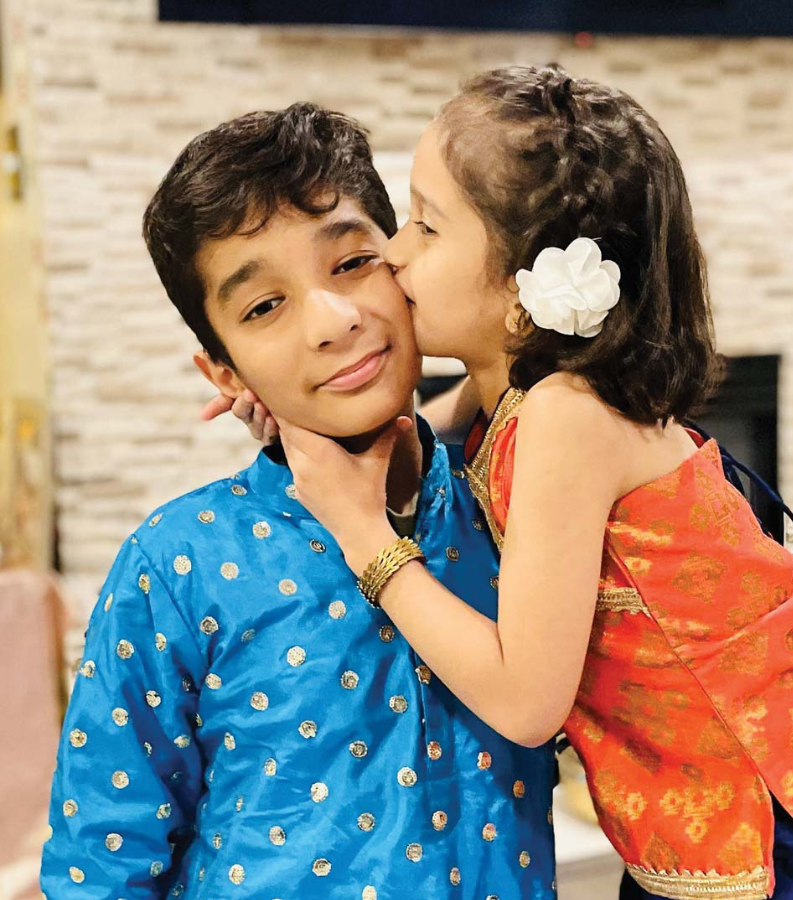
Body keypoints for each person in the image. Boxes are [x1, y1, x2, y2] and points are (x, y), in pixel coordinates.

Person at [274, 66, 793, 900]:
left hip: (782, 840)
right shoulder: (514, 398)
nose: (395, 252)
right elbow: (396, 429)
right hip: (706, 835)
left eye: (426, 227)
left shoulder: (565, 416)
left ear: (523, 292)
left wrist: (365, 537)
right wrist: (275, 390)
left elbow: (525, 701)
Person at [40, 103, 557, 900]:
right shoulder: (178, 564)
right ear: (225, 374)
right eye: (263, 307)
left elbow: (690, 625)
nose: (333, 321)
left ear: (407, 265)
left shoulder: (524, 498)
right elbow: (100, 867)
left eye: (352, 263)